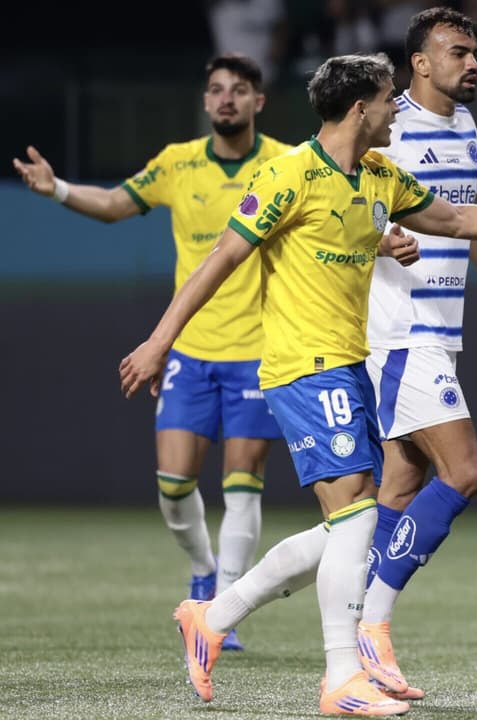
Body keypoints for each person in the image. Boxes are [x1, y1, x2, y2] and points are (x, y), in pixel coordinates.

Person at [118, 52, 477, 717]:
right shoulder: (287, 176)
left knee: (350, 523)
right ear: (359, 109)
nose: (397, 107)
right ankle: (343, 676)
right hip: (301, 367)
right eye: (388, 98)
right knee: (358, 518)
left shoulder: (376, 175)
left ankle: (214, 615)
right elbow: (221, 259)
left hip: (348, 365)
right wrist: (159, 340)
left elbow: (458, 222)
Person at [12, 54, 290, 651]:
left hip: (257, 352)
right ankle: (202, 565)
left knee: (243, 483)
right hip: (189, 352)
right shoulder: (178, 162)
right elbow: (114, 206)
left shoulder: (285, 165)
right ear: (205, 101)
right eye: (216, 89)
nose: (226, 100)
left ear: (258, 102)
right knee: (171, 485)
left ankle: (224, 606)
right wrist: (56, 187)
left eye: (239, 91)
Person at [356, 7, 477, 702]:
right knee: (467, 471)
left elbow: (463, 217)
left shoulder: (463, 124)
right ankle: (371, 627)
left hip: (440, 332)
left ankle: (223, 613)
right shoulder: (382, 128)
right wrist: (378, 240)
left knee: (396, 488)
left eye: (475, 50)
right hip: (399, 332)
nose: (473, 62)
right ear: (419, 63)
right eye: (459, 52)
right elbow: (341, 212)